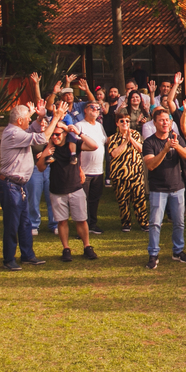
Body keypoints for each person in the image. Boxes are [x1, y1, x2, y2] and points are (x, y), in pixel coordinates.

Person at [0, 102, 61, 270]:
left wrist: (38, 116)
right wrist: (55, 118)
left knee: (25, 223)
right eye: (26, 119)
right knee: (12, 223)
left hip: (19, 186)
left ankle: (27, 255)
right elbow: (42, 137)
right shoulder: (13, 134)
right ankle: (8, 259)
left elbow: (32, 128)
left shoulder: (18, 130)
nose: (29, 121)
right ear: (19, 121)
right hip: (10, 185)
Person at [38, 121, 99, 262]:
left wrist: (79, 133)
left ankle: (87, 246)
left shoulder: (74, 144)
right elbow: (40, 168)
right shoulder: (49, 148)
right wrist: (44, 155)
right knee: (62, 222)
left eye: (58, 134)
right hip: (57, 190)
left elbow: (94, 146)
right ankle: (66, 248)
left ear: (65, 133)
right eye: (52, 135)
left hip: (75, 188)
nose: (55, 137)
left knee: (81, 220)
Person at [142, 108, 186, 269]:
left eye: (167, 120)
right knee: (155, 223)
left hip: (177, 187)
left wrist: (176, 147)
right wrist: (164, 149)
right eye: (161, 120)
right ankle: (153, 254)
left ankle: (178, 251)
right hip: (158, 189)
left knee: (179, 222)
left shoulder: (176, 138)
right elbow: (150, 165)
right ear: (155, 123)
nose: (165, 123)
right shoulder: (149, 142)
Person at [107, 113, 147, 232]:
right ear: (117, 123)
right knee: (123, 200)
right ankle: (126, 223)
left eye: (127, 121)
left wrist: (131, 139)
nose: (125, 123)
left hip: (136, 173)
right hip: (119, 174)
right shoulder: (113, 138)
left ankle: (143, 222)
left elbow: (141, 149)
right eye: (122, 121)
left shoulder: (135, 134)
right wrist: (125, 142)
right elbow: (114, 154)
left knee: (139, 199)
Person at [76, 102, 108, 234]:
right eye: (92, 107)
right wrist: (79, 169)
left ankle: (92, 224)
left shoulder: (100, 126)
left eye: (97, 108)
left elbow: (105, 141)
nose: (96, 110)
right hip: (84, 171)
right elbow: (75, 149)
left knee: (94, 200)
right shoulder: (80, 126)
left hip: (98, 171)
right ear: (85, 110)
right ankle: (82, 228)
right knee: (82, 202)